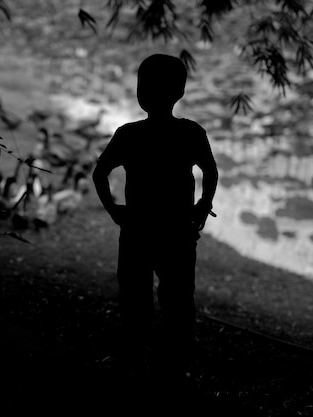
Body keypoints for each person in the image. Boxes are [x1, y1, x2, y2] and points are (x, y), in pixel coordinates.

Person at [92, 54, 219, 380]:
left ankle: (135, 360)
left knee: (134, 298)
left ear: (141, 91)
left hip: (136, 228)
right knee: (178, 298)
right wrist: (202, 207)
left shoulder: (129, 134)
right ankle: (175, 364)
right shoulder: (191, 132)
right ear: (180, 91)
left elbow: (100, 174)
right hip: (178, 229)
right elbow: (211, 173)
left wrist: (113, 210)